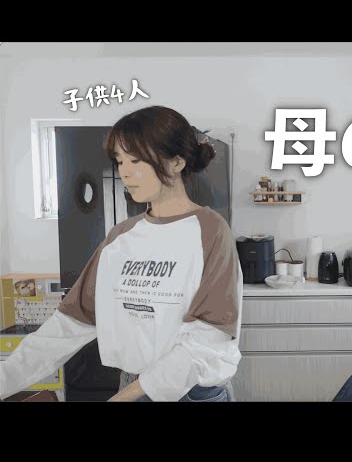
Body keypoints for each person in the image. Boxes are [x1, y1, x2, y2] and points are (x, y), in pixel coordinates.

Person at [0, 106, 243, 402]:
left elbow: (208, 338)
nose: (125, 171)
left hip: (190, 392)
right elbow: (67, 326)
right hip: (132, 384)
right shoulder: (121, 237)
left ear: (176, 162)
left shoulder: (210, 231)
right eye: (120, 160)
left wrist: (128, 396)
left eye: (136, 160)